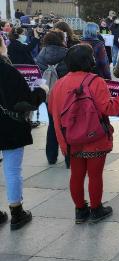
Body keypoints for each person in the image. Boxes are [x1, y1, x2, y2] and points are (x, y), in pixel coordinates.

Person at [49, 44, 119, 223]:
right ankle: (96, 208)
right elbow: (108, 108)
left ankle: (80, 210)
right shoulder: (95, 81)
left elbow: (54, 111)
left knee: (76, 175)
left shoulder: (60, 83)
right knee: (95, 175)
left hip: (70, 139)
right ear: (88, 60)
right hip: (95, 138)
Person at [0, 35, 47, 229]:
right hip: (8, 126)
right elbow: (26, 102)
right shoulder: (7, 71)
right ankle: (16, 212)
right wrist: (42, 90)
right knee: (12, 170)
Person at [36, 30, 69, 165]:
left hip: (47, 93)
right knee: (67, 124)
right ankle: (68, 157)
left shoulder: (41, 54)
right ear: (61, 40)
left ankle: (51, 156)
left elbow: (38, 74)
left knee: (52, 123)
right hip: (64, 93)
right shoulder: (67, 54)